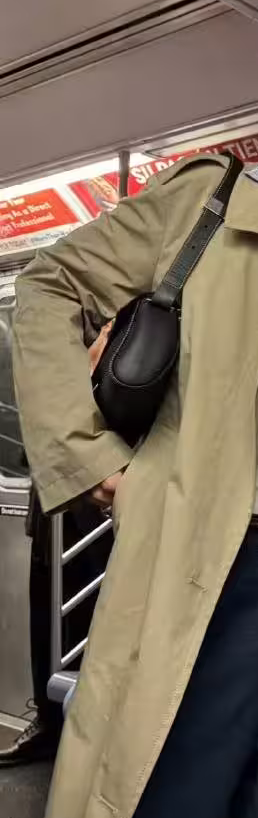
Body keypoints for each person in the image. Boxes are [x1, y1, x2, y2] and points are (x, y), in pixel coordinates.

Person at [13, 17, 258, 818]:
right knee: (161, 805)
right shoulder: (208, 202)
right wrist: (89, 458)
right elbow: (48, 285)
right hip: (209, 556)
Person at [0, 324, 114, 767]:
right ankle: (47, 723)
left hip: (101, 481)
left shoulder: (126, 324)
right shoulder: (57, 329)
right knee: (45, 606)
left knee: (100, 612)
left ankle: (96, 733)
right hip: (54, 486)